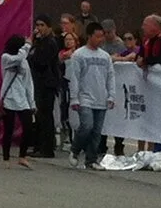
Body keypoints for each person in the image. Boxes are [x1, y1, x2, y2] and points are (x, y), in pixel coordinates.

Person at [65, 22, 116, 169]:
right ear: (89, 36)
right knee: (87, 126)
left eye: (102, 36)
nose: (101, 39)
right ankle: (75, 149)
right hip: (85, 98)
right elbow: (74, 77)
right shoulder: (79, 55)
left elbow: (110, 76)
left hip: (101, 97)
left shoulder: (105, 56)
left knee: (96, 131)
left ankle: (91, 159)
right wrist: (74, 98)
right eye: (98, 36)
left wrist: (111, 95)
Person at [27, 17, 64, 159]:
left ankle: (47, 148)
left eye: (42, 25)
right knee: (39, 115)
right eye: (37, 25)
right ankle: (39, 145)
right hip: (38, 82)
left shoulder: (50, 43)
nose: (39, 28)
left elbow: (41, 61)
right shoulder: (39, 42)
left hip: (47, 83)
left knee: (45, 115)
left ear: (48, 27)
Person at [0, 33, 36, 168]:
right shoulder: (6, 58)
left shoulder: (24, 62)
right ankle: (6, 158)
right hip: (9, 97)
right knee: (8, 129)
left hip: (22, 99)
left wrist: (32, 102)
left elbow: (28, 83)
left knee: (28, 127)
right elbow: (18, 58)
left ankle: (22, 156)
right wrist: (27, 45)